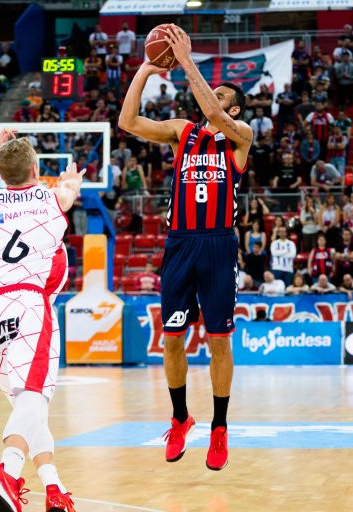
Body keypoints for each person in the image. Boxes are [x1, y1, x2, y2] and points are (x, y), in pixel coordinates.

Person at [118, 24, 254, 471]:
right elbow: (128, 122)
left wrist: (187, 59)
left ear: (234, 105)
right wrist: (148, 67)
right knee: (172, 339)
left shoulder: (239, 135)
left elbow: (215, 114)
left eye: (219, 93)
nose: (209, 95)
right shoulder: (181, 132)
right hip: (181, 244)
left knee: (218, 342)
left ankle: (219, 429)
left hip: (218, 245)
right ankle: (180, 419)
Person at [0, 129, 82, 512]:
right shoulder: (55, 198)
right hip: (26, 303)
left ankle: (54, 489)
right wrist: (71, 182)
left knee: (30, 407)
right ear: (37, 169)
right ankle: (6, 472)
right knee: (35, 398)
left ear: (2, 174)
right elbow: (68, 192)